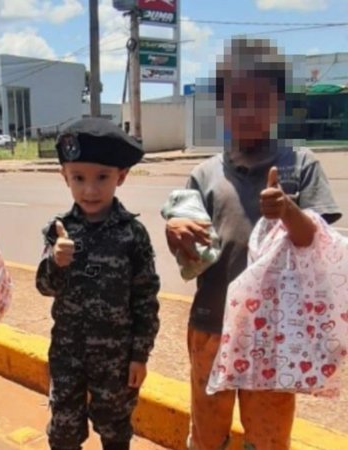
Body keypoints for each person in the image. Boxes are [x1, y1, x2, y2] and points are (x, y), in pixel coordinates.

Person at [164, 37, 342, 450]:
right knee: (207, 436)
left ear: (277, 104)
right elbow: (189, 255)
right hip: (211, 325)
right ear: (222, 107)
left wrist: (289, 211)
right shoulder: (204, 176)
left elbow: (318, 243)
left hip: (274, 336)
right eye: (236, 100)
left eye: (259, 101)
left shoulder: (301, 165)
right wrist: (175, 232)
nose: (247, 112)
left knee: (269, 439)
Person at [36, 118, 161, 450]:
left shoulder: (132, 235)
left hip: (116, 359)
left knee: (115, 431)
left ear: (121, 176)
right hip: (68, 354)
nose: (90, 190)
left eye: (102, 178)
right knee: (63, 432)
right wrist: (55, 263)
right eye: (78, 178)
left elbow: (146, 299)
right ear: (65, 177)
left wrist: (139, 355)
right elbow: (44, 287)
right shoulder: (58, 231)